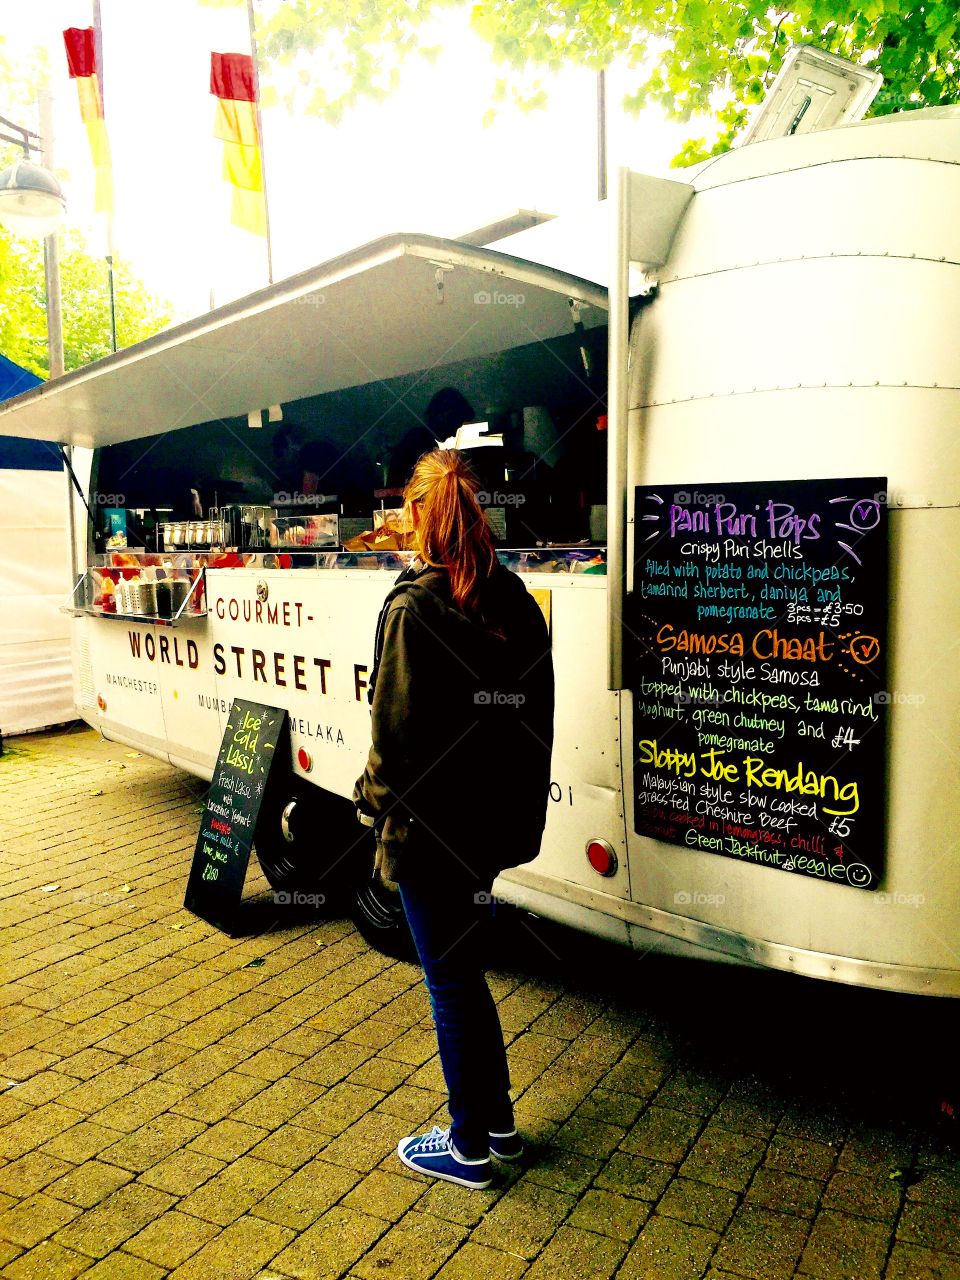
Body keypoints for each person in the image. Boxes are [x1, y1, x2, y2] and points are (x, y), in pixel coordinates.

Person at [352, 449, 555, 1189]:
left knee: (452, 985)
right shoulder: (515, 600)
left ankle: (470, 1147)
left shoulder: (415, 608)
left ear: (415, 518)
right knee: (464, 976)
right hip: (490, 830)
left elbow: (394, 744)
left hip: (432, 836)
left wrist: (366, 804)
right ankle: (496, 1126)